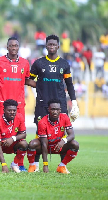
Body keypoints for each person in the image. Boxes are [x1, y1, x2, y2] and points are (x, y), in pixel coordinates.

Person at [0, 37, 36, 172]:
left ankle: (18, 163)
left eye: (16, 45)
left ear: (19, 47)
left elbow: (27, 80)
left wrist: (44, 86)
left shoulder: (24, 63)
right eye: (11, 45)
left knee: (21, 132)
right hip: (2, 103)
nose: (14, 47)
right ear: (7, 47)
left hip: (19, 103)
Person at [29, 35, 79, 169]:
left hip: (60, 104)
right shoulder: (38, 63)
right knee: (39, 132)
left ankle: (62, 166)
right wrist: (40, 86)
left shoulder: (64, 64)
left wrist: (74, 102)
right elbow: (28, 80)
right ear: (46, 46)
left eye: (54, 44)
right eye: (49, 44)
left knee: (62, 133)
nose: (51, 46)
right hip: (42, 102)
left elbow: (69, 84)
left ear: (58, 46)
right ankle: (35, 164)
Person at [27, 99, 79, 174]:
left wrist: (63, 141)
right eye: (53, 109)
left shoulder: (64, 117)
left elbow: (72, 135)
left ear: (60, 110)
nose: (55, 112)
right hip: (46, 147)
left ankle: (62, 166)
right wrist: (45, 165)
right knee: (32, 144)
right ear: (49, 109)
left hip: (59, 145)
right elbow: (44, 144)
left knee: (75, 144)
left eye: (57, 109)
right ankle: (32, 166)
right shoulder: (42, 122)